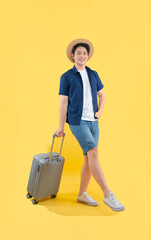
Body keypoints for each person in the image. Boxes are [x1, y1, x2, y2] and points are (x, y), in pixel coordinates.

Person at [55, 38, 125, 211]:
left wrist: (99, 112)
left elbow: (103, 96)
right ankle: (108, 194)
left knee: (88, 157)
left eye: (84, 53)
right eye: (78, 53)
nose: (81, 56)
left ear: (88, 56)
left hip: (94, 122)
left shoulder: (93, 74)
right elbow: (63, 102)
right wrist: (61, 126)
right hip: (77, 121)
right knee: (93, 152)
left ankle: (82, 194)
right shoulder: (67, 77)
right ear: (73, 56)